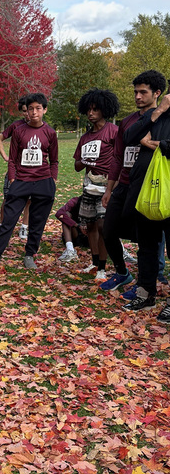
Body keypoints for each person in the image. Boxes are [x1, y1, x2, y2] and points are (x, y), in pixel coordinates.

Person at [100, 71, 167, 293]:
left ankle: (151, 280)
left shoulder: (163, 119)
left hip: (150, 186)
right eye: (135, 92)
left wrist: (154, 143)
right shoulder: (128, 121)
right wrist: (110, 188)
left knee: (147, 237)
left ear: (157, 93)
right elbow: (118, 155)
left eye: (143, 92)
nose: (137, 96)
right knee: (108, 230)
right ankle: (122, 273)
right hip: (124, 184)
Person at [0, 93, 57, 271]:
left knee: (37, 222)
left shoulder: (50, 133)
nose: (34, 112)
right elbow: (12, 159)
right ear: (27, 111)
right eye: (31, 109)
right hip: (21, 180)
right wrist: (13, 179)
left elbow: (55, 160)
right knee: (9, 219)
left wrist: (52, 179)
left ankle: (30, 255)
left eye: (38, 108)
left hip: (43, 181)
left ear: (44, 110)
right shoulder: (19, 130)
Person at [121, 91, 170, 322]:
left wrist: (158, 144)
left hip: (168, 192)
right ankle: (146, 292)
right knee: (147, 247)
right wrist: (158, 111)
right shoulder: (155, 114)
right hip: (146, 192)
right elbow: (129, 136)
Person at [73, 89, 119, 281]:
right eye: (88, 110)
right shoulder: (85, 138)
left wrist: (113, 185)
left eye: (95, 109)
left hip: (107, 185)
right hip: (89, 185)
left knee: (102, 226)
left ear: (104, 110)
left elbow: (120, 159)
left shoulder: (113, 132)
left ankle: (102, 267)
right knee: (90, 225)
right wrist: (86, 160)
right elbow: (76, 166)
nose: (91, 113)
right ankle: (93, 262)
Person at [0, 97, 30, 239]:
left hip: (31, 171)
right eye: (25, 111)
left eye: (30, 109)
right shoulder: (16, 126)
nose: (28, 114)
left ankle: (24, 227)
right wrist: (6, 157)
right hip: (15, 169)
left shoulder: (40, 127)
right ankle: (2, 226)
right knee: (8, 199)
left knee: (29, 200)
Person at [55, 195, 89, 262]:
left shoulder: (98, 202)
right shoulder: (75, 201)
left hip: (90, 233)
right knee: (66, 214)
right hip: (75, 232)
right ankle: (69, 249)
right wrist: (77, 225)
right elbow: (59, 214)